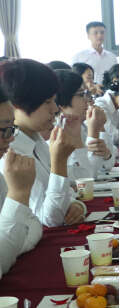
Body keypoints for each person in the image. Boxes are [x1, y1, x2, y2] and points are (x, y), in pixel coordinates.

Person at [0, 59, 84, 227]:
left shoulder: (36, 139)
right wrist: (59, 162)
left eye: (54, 100)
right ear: (17, 104)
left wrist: (76, 204)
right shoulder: (9, 151)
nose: (55, 109)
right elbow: (49, 219)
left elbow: (69, 192)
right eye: (47, 102)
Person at [0, 85, 42, 279]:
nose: (10, 138)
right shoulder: (11, 165)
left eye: (11, 128)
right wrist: (19, 194)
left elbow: (34, 222)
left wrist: (10, 250)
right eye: (4, 129)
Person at [54, 69, 114, 184]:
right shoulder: (57, 133)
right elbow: (88, 177)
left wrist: (106, 154)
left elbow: (108, 165)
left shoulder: (80, 126)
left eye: (88, 95)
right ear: (62, 103)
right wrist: (94, 131)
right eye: (82, 95)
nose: (90, 101)